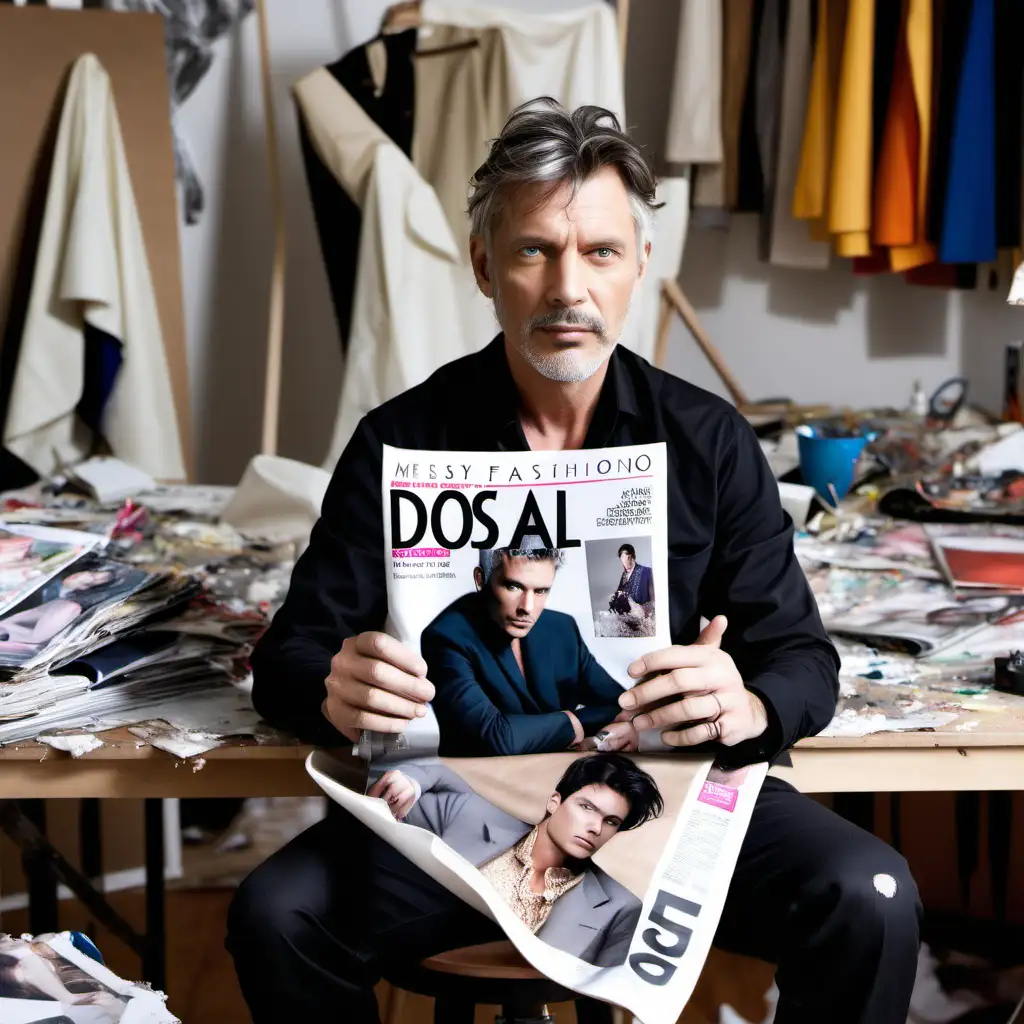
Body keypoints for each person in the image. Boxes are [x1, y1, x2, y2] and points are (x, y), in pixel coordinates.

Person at [230, 98, 920, 1023]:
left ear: (638, 265)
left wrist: (745, 701)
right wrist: (332, 688)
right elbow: (290, 656)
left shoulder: (707, 439)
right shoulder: (401, 438)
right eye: (532, 251)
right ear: (485, 267)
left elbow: (801, 659)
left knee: (868, 898)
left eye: (599, 251)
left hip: (664, 800)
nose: (568, 287)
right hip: (455, 807)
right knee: (277, 915)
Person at [369, 752, 662, 967]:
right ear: (555, 801)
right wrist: (411, 780)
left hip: (526, 986)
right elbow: (436, 775)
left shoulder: (621, 907)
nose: (595, 828)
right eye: (586, 807)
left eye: (610, 821)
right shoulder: (469, 816)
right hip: (417, 952)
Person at [422, 544, 637, 756]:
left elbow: (620, 705)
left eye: (541, 590)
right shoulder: (446, 636)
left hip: (563, 775)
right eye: (513, 586)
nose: (527, 607)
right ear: (481, 580)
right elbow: (493, 736)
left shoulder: (561, 629)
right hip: (474, 781)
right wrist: (572, 722)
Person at [608, 542, 653, 617]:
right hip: (627, 617)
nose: (622, 562)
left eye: (623, 557)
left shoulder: (647, 572)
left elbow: (656, 600)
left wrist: (643, 609)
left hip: (644, 619)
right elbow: (619, 593)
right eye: (621, 558)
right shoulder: (624, 575)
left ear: (631, 556)